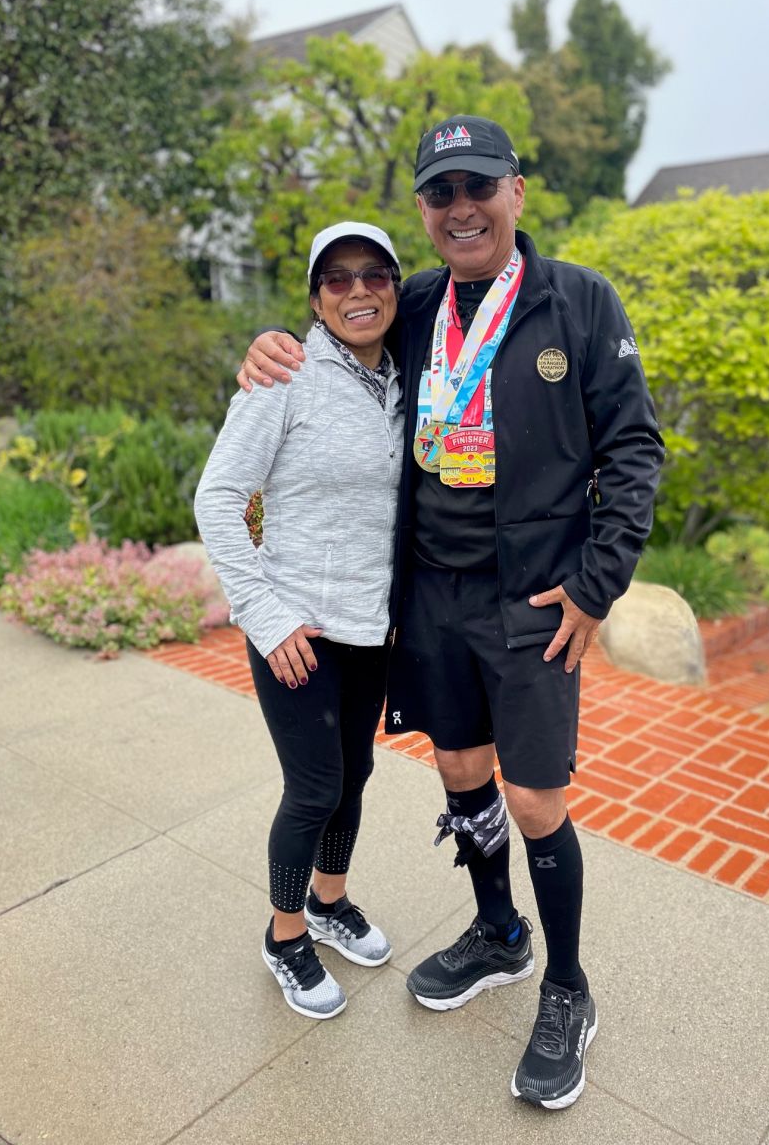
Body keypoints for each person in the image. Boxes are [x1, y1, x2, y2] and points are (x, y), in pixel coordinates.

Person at [239, 116, 664, 1106]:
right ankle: (498, 932)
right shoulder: (419, 303)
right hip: (431, 598)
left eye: (480, 185)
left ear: (518, 191)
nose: (461, 205)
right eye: (441, 192)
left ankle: (567, 985)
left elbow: (635, 452)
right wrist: (260, 349)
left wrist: (598, 584)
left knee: (534, 797)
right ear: (425, 212)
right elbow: (329, 337)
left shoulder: (579, 302)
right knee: (463, 773)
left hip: (533, 601)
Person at [195, 222, 405, 1020]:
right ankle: (286, 937)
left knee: (355, 775)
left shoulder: (406, 376)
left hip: (371, 628)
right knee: (314, 786)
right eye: (338, 278)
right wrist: (265, 615)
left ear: (394, 286)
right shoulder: (285, 376)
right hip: (297, 633)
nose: (359, 290)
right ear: (316, 299)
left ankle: (328, 901)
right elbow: (217, 496)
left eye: (374, 274)